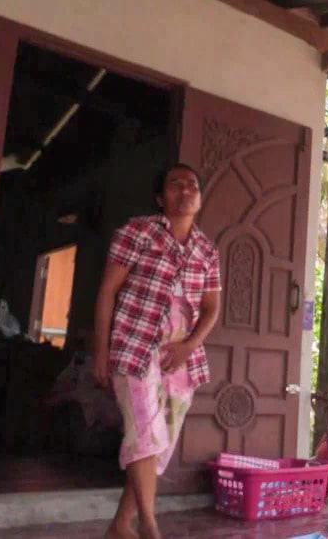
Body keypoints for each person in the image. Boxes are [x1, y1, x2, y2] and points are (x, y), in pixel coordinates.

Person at [94, 163, 221, 539]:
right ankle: (149, 525)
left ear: (199, 198)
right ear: (159, 197)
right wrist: (100, 351)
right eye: (175, 183)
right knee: (144, 431)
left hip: (182, 358)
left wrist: (189, 346)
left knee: (160, 443)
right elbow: (107, 292)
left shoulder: (207, 250)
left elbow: (211, 308)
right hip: (135, 346)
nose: (186, 189)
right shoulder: (137, 231)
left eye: (193, 184)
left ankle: (120, 524)